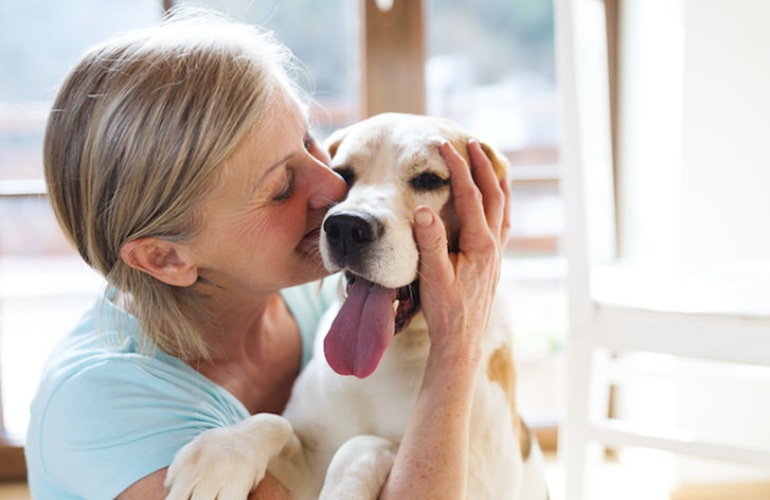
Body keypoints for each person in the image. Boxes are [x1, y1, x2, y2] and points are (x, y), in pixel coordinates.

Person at [25, 8, 510, 500]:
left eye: (310, 143)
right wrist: (457, 348)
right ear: (167, 258)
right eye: (281, 187)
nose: (335, 192)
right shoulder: (103, 412)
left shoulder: (318, 300)